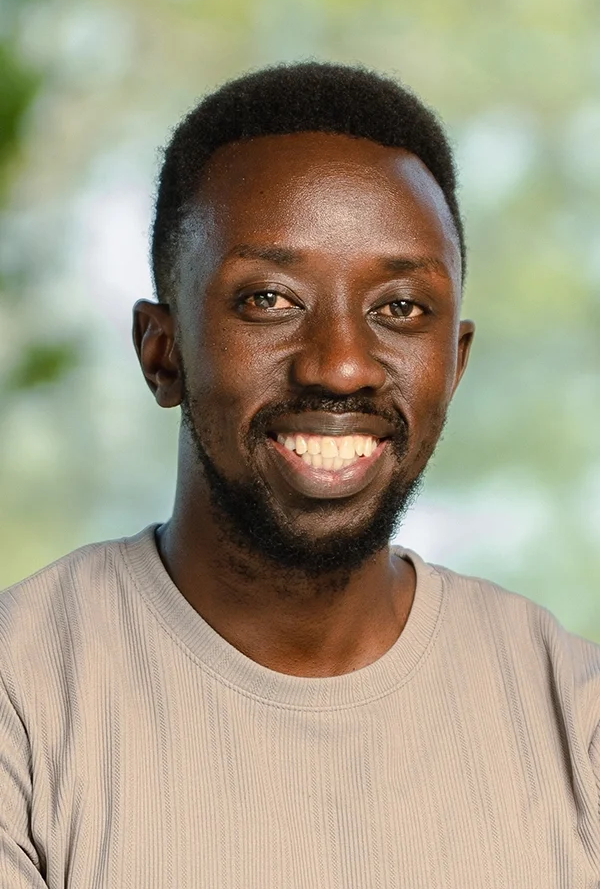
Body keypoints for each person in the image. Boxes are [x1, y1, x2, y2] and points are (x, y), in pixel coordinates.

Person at [0, 61, 598, 888]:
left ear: (452, 365)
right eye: (269, 300)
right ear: (161, 350)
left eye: (400, 310)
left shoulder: (576, 717)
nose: (342, 366)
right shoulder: (21, 700)